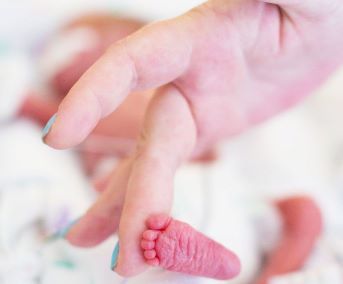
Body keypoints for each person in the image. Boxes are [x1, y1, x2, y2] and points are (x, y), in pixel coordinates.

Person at [41, 0, 343, 280]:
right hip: (142, 184)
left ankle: (266, 270)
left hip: (205, 173)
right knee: (131, 204)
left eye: (86, 42)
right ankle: (210, 256)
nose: (69, 55)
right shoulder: (71, 105)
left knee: (302, 213)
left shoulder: (156, 88)